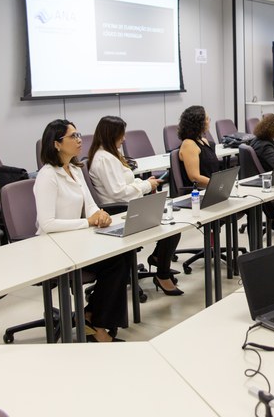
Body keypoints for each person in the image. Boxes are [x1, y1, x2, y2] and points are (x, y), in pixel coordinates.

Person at [34, 119, 130, 342]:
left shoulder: (75, 170)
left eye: (79, 135)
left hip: (78, 240)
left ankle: (92, 316)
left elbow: (90, 204)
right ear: (56, 144)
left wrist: (101, 214)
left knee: (122, 255)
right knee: (115, 263)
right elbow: (47, 223)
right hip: (53, 247)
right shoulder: (47, 176)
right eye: (73, 137)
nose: (79, 140)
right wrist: (88, 222)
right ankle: (96, 323)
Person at [88, 116, 183, 296]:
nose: (124, 139)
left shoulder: (112, 153)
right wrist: (146, 186)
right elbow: (118, 193)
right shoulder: (104, 159)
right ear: (111, 135)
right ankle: (161, 272)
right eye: (121, 135)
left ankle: (159, 259)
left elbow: (126, 182)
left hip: (128, 203)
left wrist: (145, 181)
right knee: (171, 225)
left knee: (172, 221)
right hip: (118, 209)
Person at [177, 105, 220, 191]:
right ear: (198, 124)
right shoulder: (189, 144)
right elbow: (194, 178)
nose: (209, 121)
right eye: (206, 119)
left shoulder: (204, 141)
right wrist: (218, 183)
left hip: (212, 188)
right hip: (198, 194)